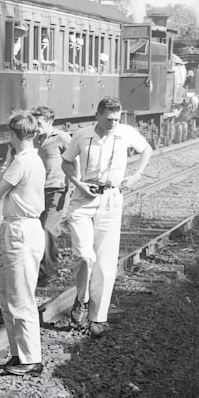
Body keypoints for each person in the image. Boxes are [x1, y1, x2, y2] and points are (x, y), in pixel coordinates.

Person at [62, 96, 152, 337]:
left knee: (105, 262)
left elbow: (147, 150)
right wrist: (78, 184)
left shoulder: (125, 133)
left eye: (117, 118)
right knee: (84, 256)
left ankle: (97, 318)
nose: (113, 123)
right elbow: (66, 162)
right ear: (98, 116)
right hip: (84, 199)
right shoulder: (82, 135)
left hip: (112, 199)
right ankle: (81, 299)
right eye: (109, 119)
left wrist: (137, 175)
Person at [0, 111, 46, 377]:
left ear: (12, 135)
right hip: (24, 228)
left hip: (19, 230)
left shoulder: (21, 163)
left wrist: (5, 162)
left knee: (20, 297)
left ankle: (31, 357)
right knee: (10, 295)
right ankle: (19, 353)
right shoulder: (35, 159)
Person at [31, 106, 72, 287]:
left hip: (57, 189)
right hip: (37, 191)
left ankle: (51, 273)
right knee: (37, 231)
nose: (36, 127)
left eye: (39, 123)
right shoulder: (34, 140)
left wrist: (72, 187)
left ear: (50, 122)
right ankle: (39, 272)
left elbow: (74, 161)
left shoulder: (62, 139)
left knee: (48, 230)